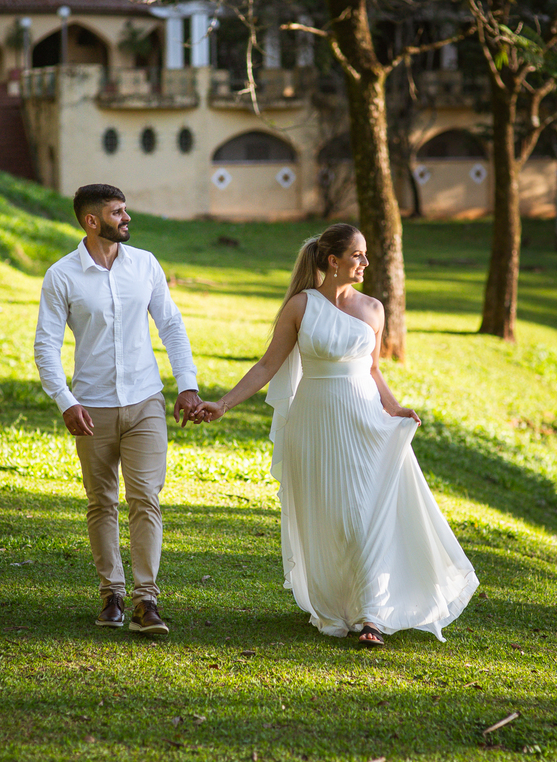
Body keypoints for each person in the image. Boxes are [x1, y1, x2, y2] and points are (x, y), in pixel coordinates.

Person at [195, 223, 479, 647]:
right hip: (315, 423)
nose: (365, 262)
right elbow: (267, 366)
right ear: (334, 261)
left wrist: (395, 408)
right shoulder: (300, 306)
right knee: (332, 518)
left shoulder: (374, 309)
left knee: (364, 518)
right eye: (358, 255)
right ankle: (340, 606)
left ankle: (371, 617)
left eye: (365, 255)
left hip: (365, 420)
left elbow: (374, 369)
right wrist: (224, 403)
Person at [34, 184, 202, 636]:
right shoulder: (62, 275)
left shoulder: (144, 264)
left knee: (145, 498)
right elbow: (46, 346)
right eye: (117, 212)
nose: (127, 218)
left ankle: (147, 600)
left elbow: (171, 325)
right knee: (101, 502)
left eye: (125, 210)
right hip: (92, 408)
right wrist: (65, 401)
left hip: (146, 401)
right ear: (92, 221)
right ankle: (112, 593)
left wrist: (187, 385)